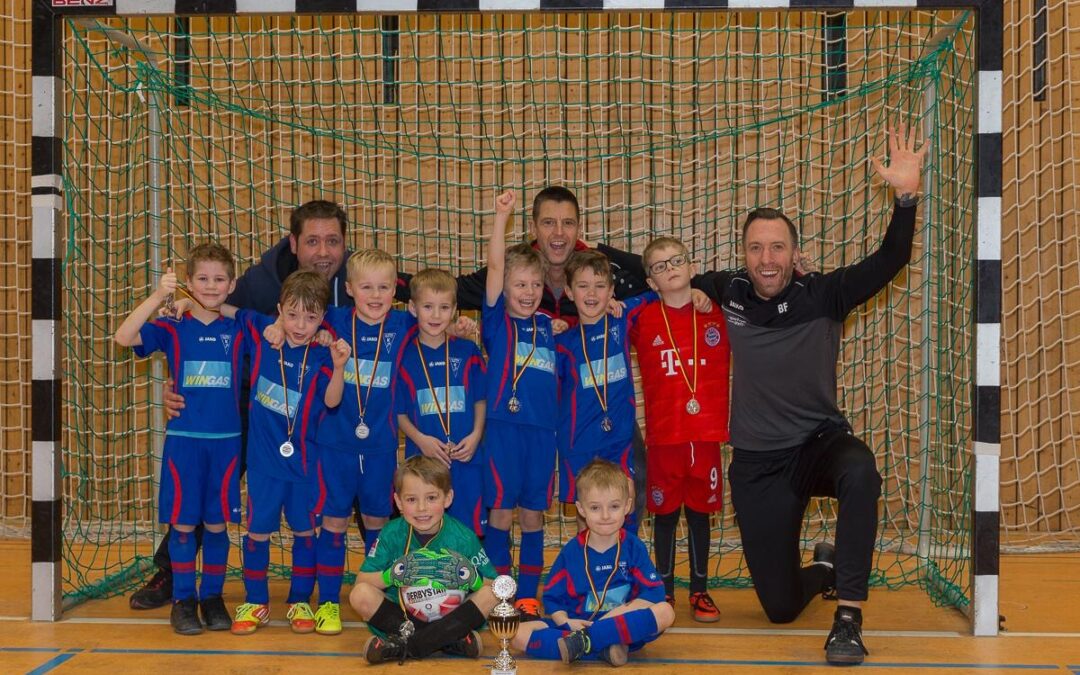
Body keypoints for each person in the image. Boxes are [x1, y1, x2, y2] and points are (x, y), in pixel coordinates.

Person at [692, 126, 927, 665]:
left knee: (861, 472)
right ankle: (824, 568)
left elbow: (890, 259)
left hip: (817, 445)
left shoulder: (825, 293)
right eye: (756, 247)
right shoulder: (725, 290)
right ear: (743, 254)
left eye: (777, 246)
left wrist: (906, 198)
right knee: (777, 606)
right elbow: (659, 276)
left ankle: (848, 620)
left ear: (795, 252)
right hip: (756, 465)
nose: (766, 257)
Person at [129, 200, 354, 611]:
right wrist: (182, 315)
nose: (324, 251)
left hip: (318, 404)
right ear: (294, 243)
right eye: (313, 241)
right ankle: (172, 574)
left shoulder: (355, 279)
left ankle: (363, 585)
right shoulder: (259, 283)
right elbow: (212, 308)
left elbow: (417, 295)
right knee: (207, 498)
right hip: (245, 404)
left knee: (336, 499)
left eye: (333, 241)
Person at [113, 243, 248, 635]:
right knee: (184, 526)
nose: (210, 286)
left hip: (226, 443)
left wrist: (215, 307)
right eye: (201, 279)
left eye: (219, 279)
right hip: (185, 443)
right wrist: (160, 295)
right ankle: (184, 600)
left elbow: (279, 328)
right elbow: (124, 337)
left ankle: (213, 597)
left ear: (232, 284)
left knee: (219, 525)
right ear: (188, 282)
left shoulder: (238, 327)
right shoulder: (172, 325)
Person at [222, 270, 350, 635]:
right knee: (257, 532)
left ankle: (298, 602)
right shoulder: (264, 333)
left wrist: (340, 368)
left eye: (311, 318)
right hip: (263, 463)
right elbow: (227, 311)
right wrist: (185, 302)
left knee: (305, 533)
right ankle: (257, 601)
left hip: (304, 465)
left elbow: (332, 401)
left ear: (322, 317)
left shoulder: (325, 353)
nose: (300, 324)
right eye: (291, 315)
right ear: (280, 310)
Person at [301, 249, 418, 635]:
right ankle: (330, 603)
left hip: (381, 448)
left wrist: (460, 329)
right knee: (332, 523)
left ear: (395, 292)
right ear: (349, 289)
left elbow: (439, 319)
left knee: (379, 525)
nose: (375, 294)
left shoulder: (403, 324)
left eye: (384, 287)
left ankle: (381, 601)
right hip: (334, 446)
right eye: (366, 286)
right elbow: (290, 321)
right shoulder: (332, 321)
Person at [628, 236, 730, 624]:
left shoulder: (714, 312)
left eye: (677, 261)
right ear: (651, 282)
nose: (670, 269)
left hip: (705, 435)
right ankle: (664, 590)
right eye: (659, 266)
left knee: (701, 514)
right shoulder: (643, 319)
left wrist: (704, 294)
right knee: (665, 514)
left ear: (691, 268)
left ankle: (700, 590)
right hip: (665, 437)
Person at [511, 458, 674, 666]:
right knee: (516, 634)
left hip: (622, 625)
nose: (605, 516)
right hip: (577, 625)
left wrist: (610, 621)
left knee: (665, 611)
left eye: (614, 506)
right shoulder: (571, 552)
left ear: (627, 506)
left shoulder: (634, 548)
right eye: (595, 508)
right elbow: (553, 599)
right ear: (581, 509)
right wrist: (565, 621)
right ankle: (603, 648)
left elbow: (654, 594)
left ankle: (589, 641)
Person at [481, 190, 559, 615]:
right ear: (505, 288)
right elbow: (495, 264)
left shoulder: (551, 327)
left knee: (533, 517)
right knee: (501, 516)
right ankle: (502, 592)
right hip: (503, 431)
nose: (528, 292)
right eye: (518, 284)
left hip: (541, 436)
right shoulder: (495, 323)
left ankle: (528, 595)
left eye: (534, 284)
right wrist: (502, 216)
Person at [349, 455, 499, 664]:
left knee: (490, 594)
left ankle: (404, 646)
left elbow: (498, 588)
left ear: (448, 498)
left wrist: (472, 579)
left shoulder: (463, 537)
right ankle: (448, 641)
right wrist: (391, 575)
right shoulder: (391, 533)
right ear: (398, 502)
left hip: (452, 617)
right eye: (411, 499)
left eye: (431, 498)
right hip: (405, 618)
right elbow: (361, 582)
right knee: (360, 595)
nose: (422, 508)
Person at [554, 250, 652, 535]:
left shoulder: (621, 321)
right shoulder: (561, 342)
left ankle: (624, 575)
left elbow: (655, 292)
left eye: (600, 286)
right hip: (579, 443)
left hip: (619, 441)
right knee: (588, 517)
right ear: (570, 292)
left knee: (627, 509)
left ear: (611, 290)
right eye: (582, 286)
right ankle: (588, 576)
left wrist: (624, 302)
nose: (592, 293)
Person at [396, 269, 487, 535]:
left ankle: (470, 577)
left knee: (468, 533)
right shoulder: (405, 356)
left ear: (455, 310)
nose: (436, 315)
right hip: (424, 458)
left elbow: (481, 400)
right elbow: (399, 413)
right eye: (428, 307)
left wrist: (476, 435)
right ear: (413, 308)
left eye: (444, 307)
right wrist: (420, 439)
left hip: (466, 457)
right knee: (425, 530)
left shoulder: (467, 350)